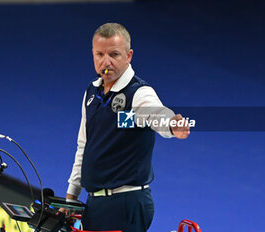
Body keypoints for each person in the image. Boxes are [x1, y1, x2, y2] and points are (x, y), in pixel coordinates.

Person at [64, 22, 190, 232]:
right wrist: (71, 195)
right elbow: (84, 146)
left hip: (125, 204)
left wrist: (171, 124)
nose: (106, 61)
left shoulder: (139, 93)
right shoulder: (91, 93)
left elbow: (155, 113)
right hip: (94, 204)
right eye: (100, 54)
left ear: (129, 56)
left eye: (114, 54)